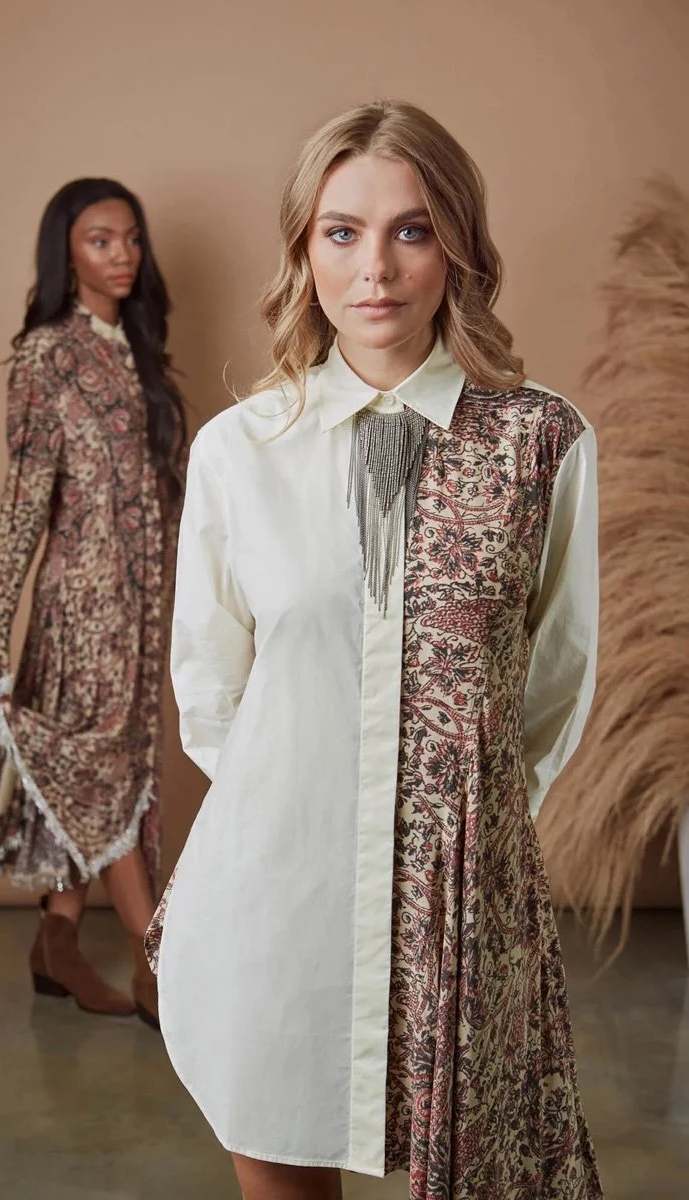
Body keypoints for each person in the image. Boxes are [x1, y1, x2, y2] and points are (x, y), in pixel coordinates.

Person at [146, 101, 603, 1199]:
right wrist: (312, 803)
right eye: (340, 232)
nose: (376, 269)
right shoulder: (238, 452)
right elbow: (210, 690)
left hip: (465, 899)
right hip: (279, 889)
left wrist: (456, 819)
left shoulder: (543, 441)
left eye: (410, 229)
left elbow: (555, 678)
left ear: (458, 245)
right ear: (304, 251)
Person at [0, 178, 185, 1030]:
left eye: (131, 238)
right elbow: (25, 503)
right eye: (100, 240)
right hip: (81, 606)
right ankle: (156, 958)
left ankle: (56, 941)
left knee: (116, 777)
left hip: (142, 610)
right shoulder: (47, 355)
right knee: (105, 778)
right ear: (65, 251)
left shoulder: (136, 347)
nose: (122, 255)